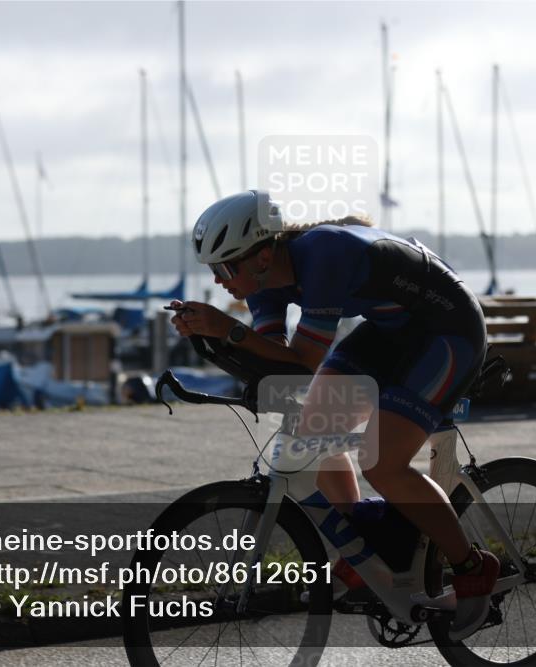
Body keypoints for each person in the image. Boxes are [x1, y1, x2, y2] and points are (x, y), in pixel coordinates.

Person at [170, 190, 499, 625]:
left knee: (382, 462)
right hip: (391, 332)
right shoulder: (262, 284)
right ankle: (369, 548)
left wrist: (228, 330)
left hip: (449, 331)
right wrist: (208, 338)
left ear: (263, 257)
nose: (218, 280)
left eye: (225, 267)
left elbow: (304, 358)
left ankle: (473, 565)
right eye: (214, 269)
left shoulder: (324, 255)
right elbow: (272, 356)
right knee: (311, 434)